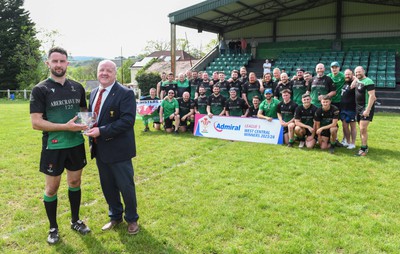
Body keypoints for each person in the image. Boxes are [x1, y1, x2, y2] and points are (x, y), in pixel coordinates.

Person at [30, 46, 90, 244]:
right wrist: (65, 126)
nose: (58, 65)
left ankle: (75, 220)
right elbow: (36, 122)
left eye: (62, 61)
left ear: (67, 63)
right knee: (52, 188)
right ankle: (53, 228)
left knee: (75, 183)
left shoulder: (77, 87)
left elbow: (84, 113)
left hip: (75, 144)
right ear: (48, 63)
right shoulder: (40, 89)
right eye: (54, 61)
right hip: (53, 146)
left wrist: (89, 124)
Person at [85, 60, 139, 235]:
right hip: (100, 150)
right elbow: (91, 117)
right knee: (107, 186)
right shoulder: (93, 93)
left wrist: (101, 131)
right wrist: (85, 125)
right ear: (97, 72)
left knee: (126, 186)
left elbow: (127, 121)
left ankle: (132, 219)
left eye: (109, 70)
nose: (104, 73)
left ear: (115, 73)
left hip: (119, 150)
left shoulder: (125, 93)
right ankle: (115, 216)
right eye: (102, 70)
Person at [352, 66, 376, 156]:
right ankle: (364, 146)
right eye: (356, 72)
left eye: (359, 72)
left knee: (363, 129)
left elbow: (372, 96)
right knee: (361, 129)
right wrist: (355, 79)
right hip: (358, 108)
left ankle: (363, 149)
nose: (358, 73)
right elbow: (354, 79)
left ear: (364, 71)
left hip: (365, 108)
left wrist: (368, 109)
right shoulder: (358, 80)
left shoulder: (368, 81)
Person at [340, 69, 357, 149]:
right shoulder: (344, 83)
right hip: (343, 109)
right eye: (346, 74)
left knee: (352, 126)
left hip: (351, 109)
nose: (347, 76)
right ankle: (347, 141)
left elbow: (363, 78)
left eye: (349, 74)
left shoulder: (355, 83)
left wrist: (356, 78)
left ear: (352, 74)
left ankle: (353, 143)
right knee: (344, 126)